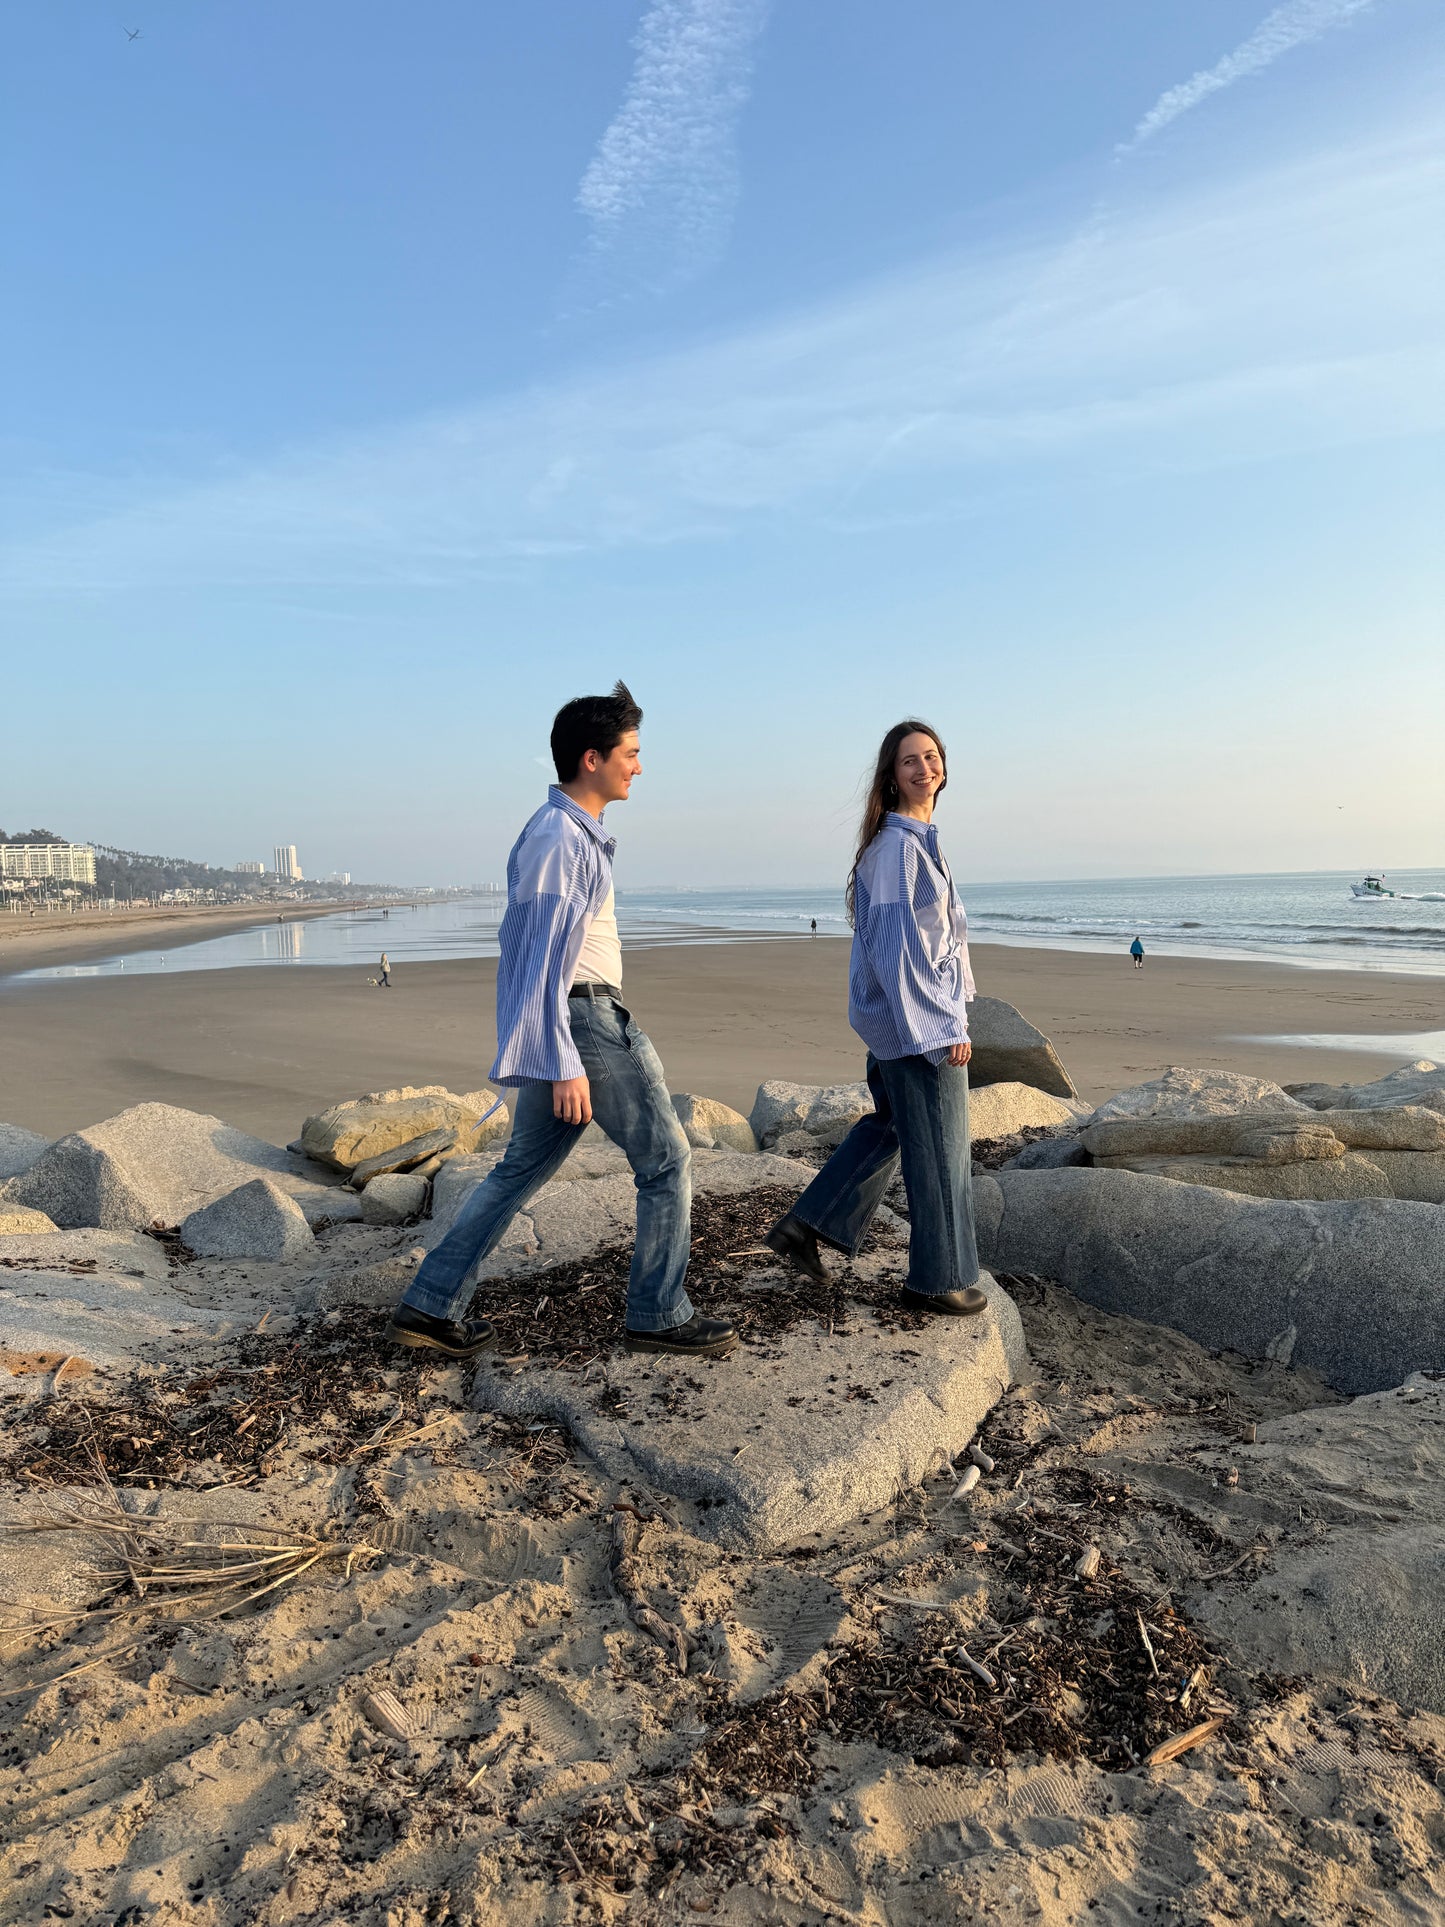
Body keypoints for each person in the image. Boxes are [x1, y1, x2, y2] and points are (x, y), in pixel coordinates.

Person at [386, 682, 736, 1362]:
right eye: (630, 753)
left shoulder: (569, 834)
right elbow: (536, 956)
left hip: (573, 1019)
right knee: (666, 1159)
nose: (638, 766)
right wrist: (562, 1056)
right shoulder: (556, 838)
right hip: (583, 1019)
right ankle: (657, 1312)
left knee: (517, 1169)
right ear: (591, 758)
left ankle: (430, 1305)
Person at [764, 720, 987, 1316]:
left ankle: (805, 1225)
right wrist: (945, 1029)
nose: (924, 768)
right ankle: (936, 1281)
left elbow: (932, 942)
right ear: (891, 776)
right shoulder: (895, 850)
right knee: (940, 1150)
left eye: (932, 756)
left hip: (903, 1021)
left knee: (894, 1126)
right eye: (909, 760)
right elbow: (899, 953)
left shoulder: (918, 841)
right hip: (916, 1027)